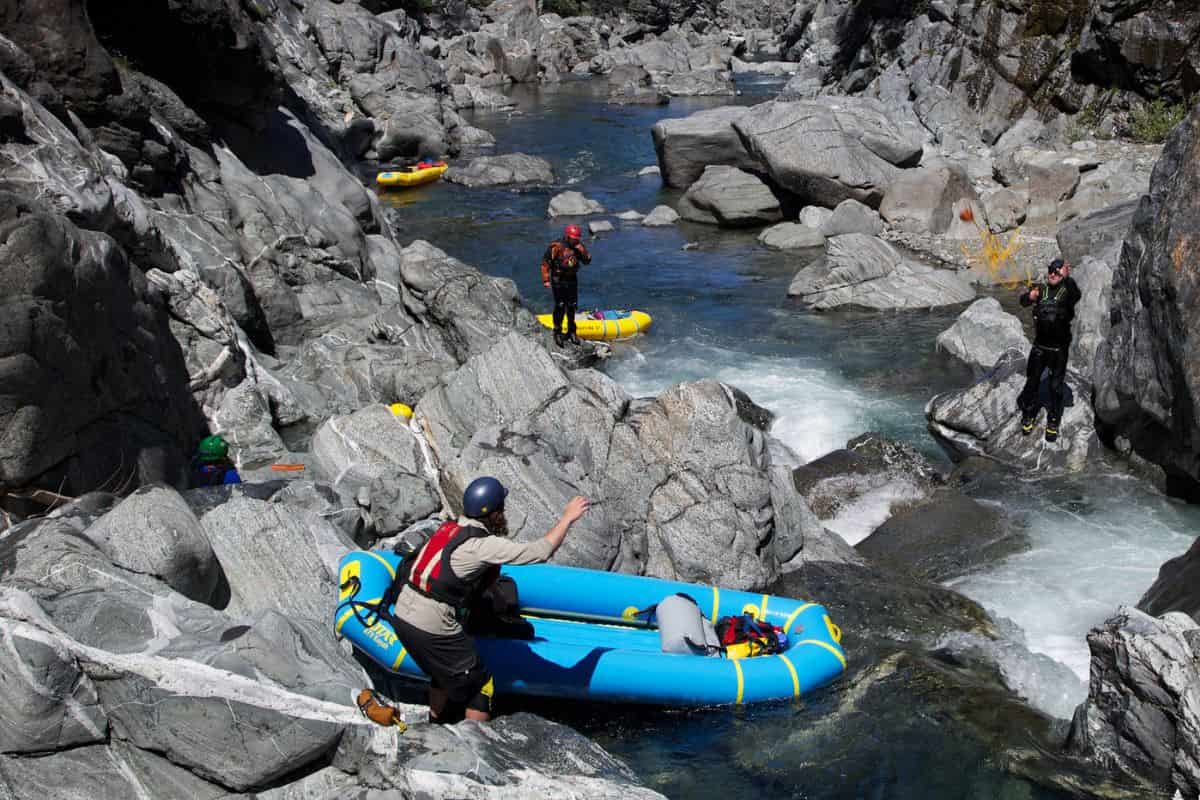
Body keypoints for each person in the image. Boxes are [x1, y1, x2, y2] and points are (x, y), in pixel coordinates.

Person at [391, 477, 590, 723]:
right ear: (494, 513)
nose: (504, 513)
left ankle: (436, 721)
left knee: (444, 670)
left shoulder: (448, 528)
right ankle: (481, 748)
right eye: (502, 509)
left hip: (402, 616)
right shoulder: (482, 545)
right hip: (431, 624)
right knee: (481, 685)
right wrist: (568, 517)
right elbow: (541, 551)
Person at [1017, 258, 1082, 442]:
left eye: (1057, 271)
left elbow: (1077, 294)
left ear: (1063, 274)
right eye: (1050, 270)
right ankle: (1028, 414)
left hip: (1059, 349)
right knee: (1032, 383)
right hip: (1040, 346)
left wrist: (1067, 277)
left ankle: (1053, 419)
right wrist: (1029, 297)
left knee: (1055, 386)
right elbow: (1023, 301)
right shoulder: (1041, 289)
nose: (1052, 274)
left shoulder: (1068, 291)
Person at [541, 224, 591, 347]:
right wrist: (546, 280)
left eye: (577, 239)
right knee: (560, 306)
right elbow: (545, 263)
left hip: (572, 279)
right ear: (568, 237)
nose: (576, 241)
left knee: (572, 306)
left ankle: (571, 331)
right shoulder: (556, 246)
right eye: (574, 239)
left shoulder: (578, 246)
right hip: (558, 279)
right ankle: (557, 332)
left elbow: (587, 261)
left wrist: (583, 251)